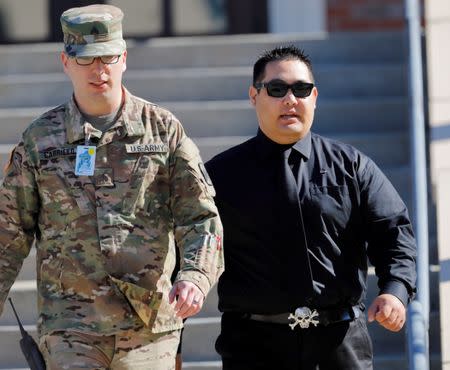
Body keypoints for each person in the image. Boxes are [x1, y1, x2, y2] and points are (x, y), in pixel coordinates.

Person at [0, 4, 223, 369]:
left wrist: (196, 276)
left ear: (123, 59)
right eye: (86, 59)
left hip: (149, 325)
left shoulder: (163, 130)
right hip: (71, 326)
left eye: (107, 57)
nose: (99, 70)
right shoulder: (41, 140)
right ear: (65, 62)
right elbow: (8, 232)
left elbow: (200, 216)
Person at [205, 45, 417, 370]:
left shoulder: (352, 167)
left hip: (340, 342)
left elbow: (393, 232)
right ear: (253, 95)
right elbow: (187, 246)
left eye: (301, 89)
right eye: (277, 89)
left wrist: (394, 290)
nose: (290, 100)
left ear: (314, 97)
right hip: (253, 346)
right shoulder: (220, 176)